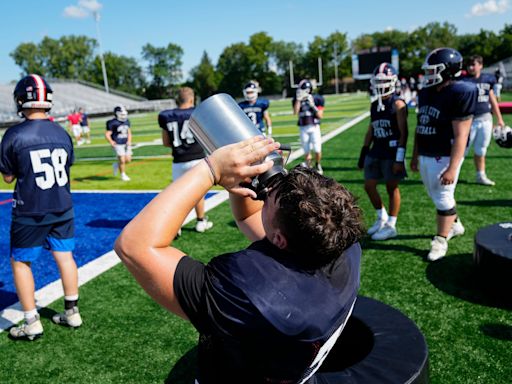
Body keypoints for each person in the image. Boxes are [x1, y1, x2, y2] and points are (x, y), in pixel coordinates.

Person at [114, 136, 363, 383]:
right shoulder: (341, 243)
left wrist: (211, 170)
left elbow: (134, 246)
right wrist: (245, 175)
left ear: (279, 239)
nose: (267, 193)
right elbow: (248, 218)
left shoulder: (250, 295)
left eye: (269, 200)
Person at [0, 74, 82, 340]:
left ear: (22, 100)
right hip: (62, 205)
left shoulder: (14, 134)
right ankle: (72, 312)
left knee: (21, 262)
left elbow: (9, 176)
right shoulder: (62, 133)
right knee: (65, 257)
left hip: (30, 209)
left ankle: (32, 321)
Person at [410, 48, 478, 261]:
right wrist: (414, 154)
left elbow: (461, 135)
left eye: (434, 70)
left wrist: (453, 167)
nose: (428, 75)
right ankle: (455, 224)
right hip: (427, 152)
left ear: (448, 71)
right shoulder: (426, 92)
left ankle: (440, 239)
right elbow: (420, 125)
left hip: (445, 155)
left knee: (443, 197)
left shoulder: (461, 92)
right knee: (435, 195)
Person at [358, 63, 408, 241]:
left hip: (391, 151)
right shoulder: (374, 104)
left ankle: (391, 225)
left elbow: (404, 133)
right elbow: (371, 129)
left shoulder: (398, 103)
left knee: (391, 187)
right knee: (369, 185)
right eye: (378, 81)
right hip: (376, 149)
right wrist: (364, 152)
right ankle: (382, 217)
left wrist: (399, 158)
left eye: (384, 81)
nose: (380, 84)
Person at [158, 87, 213, 233]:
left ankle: (176, 227)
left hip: (178, 161)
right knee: (199, 193)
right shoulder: (197, 112)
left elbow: (165, 142)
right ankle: (200, 221)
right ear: (191, 99)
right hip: (197, 158)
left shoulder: (166, 115)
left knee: (178, 196)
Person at [462, 55, 505, 186]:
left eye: (473, 64)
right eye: (469, 65)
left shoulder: (487, 79)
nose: (470, 67)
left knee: (481, 150)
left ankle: (480, 175)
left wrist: (500, 119)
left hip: (485, 118)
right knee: (462, 150)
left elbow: (492, 98)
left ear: (480, 65)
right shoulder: (463, 80)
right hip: (468, 120)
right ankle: (452, 172)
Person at [292, 79, 325, 174]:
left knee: (317, 149)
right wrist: (298, 100)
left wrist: (313, 105)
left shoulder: (317, 98)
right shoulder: (297, 99)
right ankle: (310, 169)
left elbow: (320, 115)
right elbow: (295, 112)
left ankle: (318, 164)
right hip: (303, 127)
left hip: (314, 127)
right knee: (306, 151)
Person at [105, 105, 132, 181]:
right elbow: (107, 134)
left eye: (124, 114)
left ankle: (117, 164)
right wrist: (111, 141)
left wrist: (129, 141)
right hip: (118, 143)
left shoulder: (127, 121)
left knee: (128, 160)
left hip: (125, 143)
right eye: (122, 114)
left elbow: (129, 132)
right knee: (122, 160)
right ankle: (123, 175)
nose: (123, 116)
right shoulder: (112, 122)